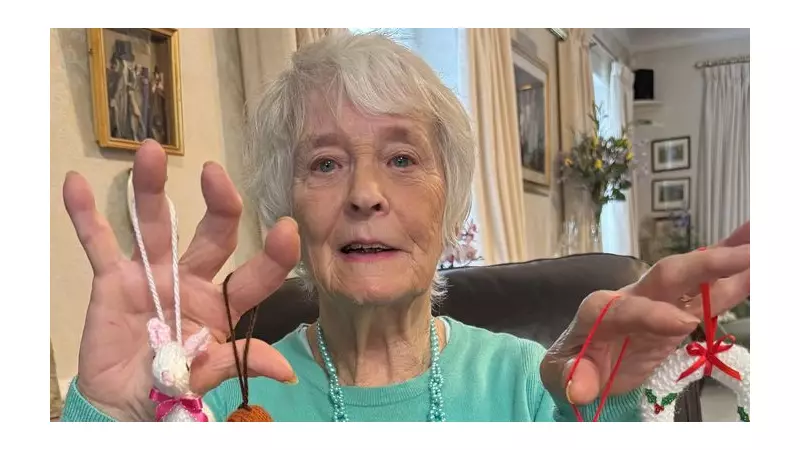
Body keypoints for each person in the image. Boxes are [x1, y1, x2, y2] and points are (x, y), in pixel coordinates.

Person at [59, 31, 750, 422]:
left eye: (401, 158)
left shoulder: (532, 386)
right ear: (285, 207)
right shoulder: (209, 396)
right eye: (325, 163)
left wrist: (618, 411)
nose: (365, 194)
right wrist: (109, 417)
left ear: (451, 204)